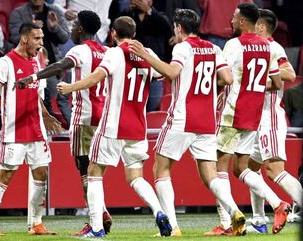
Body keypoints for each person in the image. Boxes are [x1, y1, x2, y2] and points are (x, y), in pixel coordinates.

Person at [130, 8, 249, 237]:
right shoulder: (214, 48)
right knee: (210, 175)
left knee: (160, 169)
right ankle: (234, 211)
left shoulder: (182, 47)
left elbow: (173, 73)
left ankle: (173, 227)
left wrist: (148, 57)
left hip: (182, 118)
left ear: (179, 28)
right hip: (206, 121)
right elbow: (228, 79)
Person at [55, 16, 172, 238]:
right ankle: (159, 211)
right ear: (135, 33)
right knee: (136, 177)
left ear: (113, 34)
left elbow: (95, 78)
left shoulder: (115, 53)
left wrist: (70, 87)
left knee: (94, 173)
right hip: (138, 127)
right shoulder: (148, 54)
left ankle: (97, 228)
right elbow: (166, 74)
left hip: (112, 125)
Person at [18, 10, 113, 235]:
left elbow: (60, 66)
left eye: (74, 24)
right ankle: (102, 212)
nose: (71, 28)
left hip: (84, 117)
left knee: (85, 171)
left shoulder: (80, 50)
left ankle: (95, 221)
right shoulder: (108, 51)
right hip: (105, 119)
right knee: (95, 171)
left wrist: (32, 77)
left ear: (81, 28)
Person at [206, 3, 289, 236]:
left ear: (243, 21)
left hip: (232, 112)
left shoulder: (234, 44)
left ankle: (227, 223)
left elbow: (226, 78)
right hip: (253, 114)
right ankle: (278, 204)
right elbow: (277, 83)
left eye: (234, 17)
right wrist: (253, 87)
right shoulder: (268, 46)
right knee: (241, 168)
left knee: (218, 167)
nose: (231, 21)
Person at [0, 22, 62, 236]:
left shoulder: (37, 62)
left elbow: (35, 93)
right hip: (14, 132)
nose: (41, 44)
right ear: (24, 38)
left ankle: (36, 223)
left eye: (41, 39)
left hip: (37, 131)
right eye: (37, 39)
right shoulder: (6, 62)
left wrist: (46, 115)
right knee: (6, 174)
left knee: (41, 173)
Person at [246, 8, 302, 233]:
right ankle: (259, 221)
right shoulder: (254, 47)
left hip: (269, 117)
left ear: (261, 26)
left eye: (253, 22)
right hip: (255, 120)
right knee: (250, 169)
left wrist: (258, 83)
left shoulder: (272, 46)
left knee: (275, 170)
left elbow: (288, 74)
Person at [9, 0, 70, 64]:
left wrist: (55, 27)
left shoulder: (55, 11)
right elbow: (15, 39)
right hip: (28, 63)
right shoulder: (18, 13)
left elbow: (64, 38)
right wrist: (31, 29)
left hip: (53, 63)